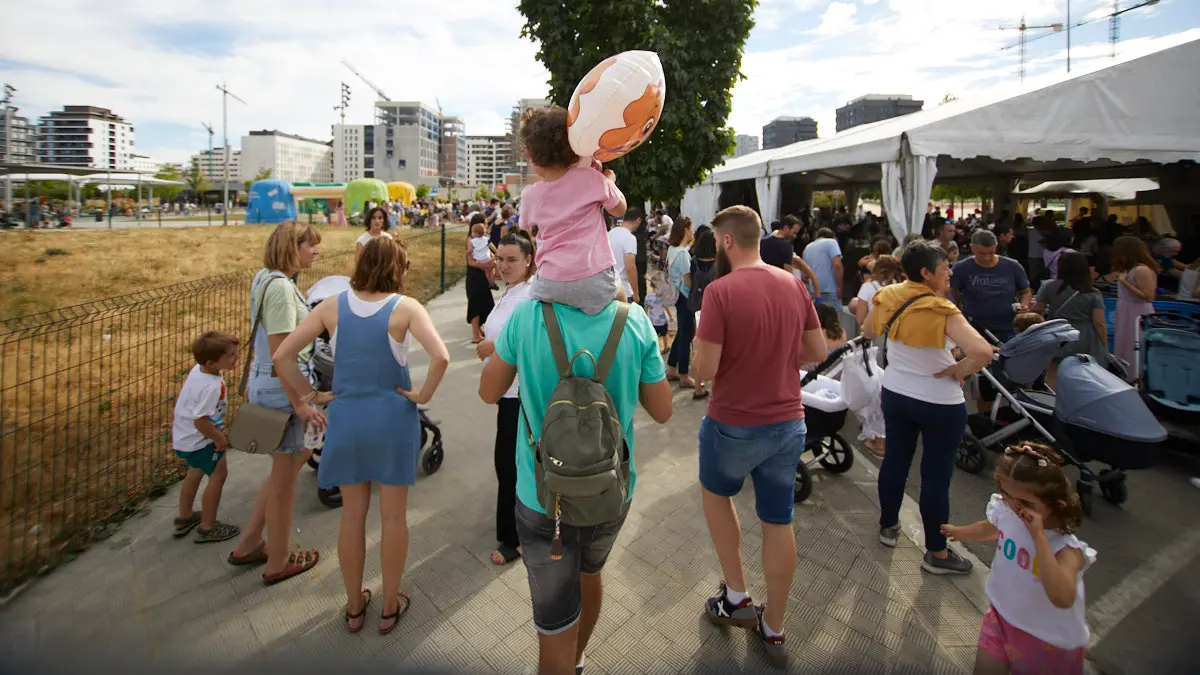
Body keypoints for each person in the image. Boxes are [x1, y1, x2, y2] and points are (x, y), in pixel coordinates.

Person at [478, 290, 672, 675]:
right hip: (609, 493)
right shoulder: (633, 320)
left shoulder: (527, 316)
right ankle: (579, 657)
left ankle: (563, 661)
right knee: (590, 573)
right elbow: (664, 410)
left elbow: (488, 392)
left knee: (553, 620)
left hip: (541, 496)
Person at [272, 236, 449, 633]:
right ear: (395, 268)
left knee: (352, 516)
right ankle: (389, 605)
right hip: (393, 419)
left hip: (347, 419)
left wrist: (310, 394)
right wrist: (422, 394)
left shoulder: (332, 306)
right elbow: (442, 356)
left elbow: (282, 355)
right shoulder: (406, 308)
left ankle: (354, 607)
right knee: (393, 517)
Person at [690, 205, 824, 668]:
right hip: (788, 421)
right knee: (778, 519)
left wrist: (697, 354)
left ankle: (737, 596)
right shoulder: (793, 283)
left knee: (716, 496)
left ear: (727, 241)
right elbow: (816, 351)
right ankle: (776, 625)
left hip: (732, 421)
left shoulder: (720, 291)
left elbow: (703, 371)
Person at [862, 241, 992, 575]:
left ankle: (888, 527)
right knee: (935, 477)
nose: (950, 271)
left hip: (896, 393)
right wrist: (958, 370)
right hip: (939, 402)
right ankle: (937, 553)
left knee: (895, 462)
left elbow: (867, 330)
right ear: (926, 272)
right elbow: (982, 352)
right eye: (945, 266)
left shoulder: (887, 295)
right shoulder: (941, 309)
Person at [941, 443, 1094, 675]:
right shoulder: (1008, 512)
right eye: (1007, 496)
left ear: (1056, 504)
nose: (1015, 507)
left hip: (1046, 641)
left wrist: (1038, 537)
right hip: (1000, 619)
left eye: (1025, 503)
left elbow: (1061, 597)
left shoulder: (1067, 550)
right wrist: (961, 532)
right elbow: (991, 528)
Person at [227, 221, 325, 585]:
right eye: (310, 245)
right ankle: (278, 561)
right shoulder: (282, 289)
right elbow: (283, 354)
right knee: (285, 484)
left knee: (284, 469)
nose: (316, 251)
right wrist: (301, 402)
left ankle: (251, 542)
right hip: (281, 391)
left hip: (265, 384)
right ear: (291, 247)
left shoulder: (264, 278)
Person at [517, 106, 628, 315]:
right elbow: (619, 209)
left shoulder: (530, 195)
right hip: (594, 277)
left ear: (530, 154)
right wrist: (609, 182)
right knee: (622, 300)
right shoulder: (592, 179)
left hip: (549, 281)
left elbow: (524, 226)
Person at [475, 231, 537, 567]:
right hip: (506, 394)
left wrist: (492, 348)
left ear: (529, 260)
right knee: (510, 464)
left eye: (512, 260)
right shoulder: (511, 292)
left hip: (520, 395)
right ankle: (518, 530)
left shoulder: (530, 297)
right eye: (501, 259)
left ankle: (515, 538)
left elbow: (530, 345)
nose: (504, 265)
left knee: (511, 466)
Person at [171, 331, 241, 543]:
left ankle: (184, 517)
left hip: (184, 438)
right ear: (211, 362)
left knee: (195, 471)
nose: (235, 357)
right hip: (202, 439)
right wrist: (218, 438)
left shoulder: (199, 370)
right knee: (218, 476)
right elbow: (200, 421)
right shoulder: (211, 386)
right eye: (230, 355)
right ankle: (208, 526)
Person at [1032, 251, 1109, 374]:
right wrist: (1104, 347)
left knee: (1055, 370)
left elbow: (1036, 311)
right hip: (1085, 336)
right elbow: (1099, 323)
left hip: (1057, 332)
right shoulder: (1092, 292)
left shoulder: (1048, 286)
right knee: (1086, 372)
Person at [950, 229, 1032, 343]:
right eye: (981, 253)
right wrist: (958, 306)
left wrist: (1024, 305)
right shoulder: (961, 268)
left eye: (991, 253)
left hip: (1007, 326)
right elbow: (950, 290)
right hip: (974, 327)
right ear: (971, 248)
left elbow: (1025, 291)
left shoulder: (1012, 266)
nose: (987, 258)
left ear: (996, 247)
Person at [1111, 236, 1159, 370]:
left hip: (1137, 312)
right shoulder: (1129, 269)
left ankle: (1136, 374)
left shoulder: (1141, 270)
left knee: (1135, 343)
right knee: (1125, 343)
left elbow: (1148, 296)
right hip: (1126, 311)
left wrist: (1125, 283)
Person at [665, 218, 699, 391]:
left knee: (682, 332)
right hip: (685, 296)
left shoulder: (672, 250)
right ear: (686, 230)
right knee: (687, 334)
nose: (692, 232)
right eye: (691, 228)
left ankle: (672, 367)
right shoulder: (683, 254)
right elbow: (689, 280)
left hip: (677, 295)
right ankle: (684, 374)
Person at [761, 216, 821, 294]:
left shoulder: (763, 241)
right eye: (794, 232)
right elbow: (788, 273)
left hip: (763, 284)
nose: (794, 236)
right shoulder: (787, 246)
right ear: (786, 228)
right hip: (779, 287)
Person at [464, 213, 496, 344]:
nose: (486, 226)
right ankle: (475, 334)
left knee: (486, 303)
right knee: (476, 304)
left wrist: (493, 259)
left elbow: (493, 251)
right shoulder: (471, 240)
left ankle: (479, 330)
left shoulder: (484, 239)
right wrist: (486, 264)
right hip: (475, 275)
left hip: (482, 275)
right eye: (485, 223)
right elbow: (470, 262)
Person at [854, 255, 905, 328]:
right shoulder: (899, 286)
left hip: (874, 330)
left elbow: (860, 319)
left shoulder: (867, 287)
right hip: (894, 331)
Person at [802, 227, 843, 306]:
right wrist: (840, 287)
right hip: (830, 289)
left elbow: (805, 275)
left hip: (814, 290)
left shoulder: (807, 247)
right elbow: (837, 265)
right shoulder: (831, 242)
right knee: (833, 316)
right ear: (833, 236)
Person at [608, 212, 640, 303]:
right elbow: (630, 267)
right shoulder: (629, 238)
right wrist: (636, 292)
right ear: (638, 220)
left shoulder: (608, 234)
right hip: (624, 290)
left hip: (607, 288)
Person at [470, 221, 498, 286]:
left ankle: (488, 282)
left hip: (479, 260)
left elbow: (471, 250)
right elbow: (491, 246)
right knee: (492, 269)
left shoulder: (472, 241)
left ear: (476, 233)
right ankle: (492, 282)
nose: (471, 233)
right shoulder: (486, 239)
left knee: (486, 271)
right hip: (487, 258)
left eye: (472, 232)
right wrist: (496, 251)